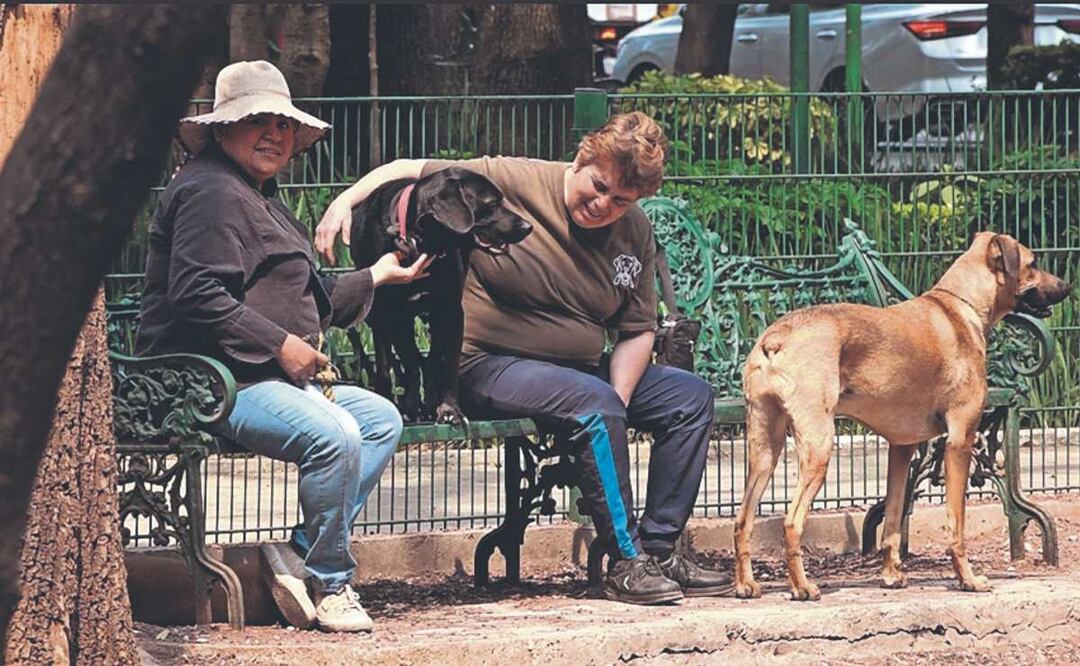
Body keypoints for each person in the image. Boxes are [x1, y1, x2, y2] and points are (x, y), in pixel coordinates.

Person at [315, 111, 733, 605]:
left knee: (689, 397)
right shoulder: (514, 178)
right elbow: (411, 167)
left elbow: (637, 330)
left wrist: (616, 399)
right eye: (598, 186)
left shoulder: (634, 231)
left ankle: (661, 548)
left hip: (582, 373)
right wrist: (344, 200)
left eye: (621, 200)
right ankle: (626, 562)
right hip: (488, 364)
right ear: (580, 160)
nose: (603, 204)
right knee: (592, 402)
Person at [136, 60, 432, 632]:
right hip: (206, 379)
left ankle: (298, 552)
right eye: (256, 121)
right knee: (337, 433)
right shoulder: (208, 191)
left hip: (256, 372)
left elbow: (305, 293)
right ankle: (331, 580)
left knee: (379, 420)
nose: (273, 133)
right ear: (223, 129)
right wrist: (282, 346)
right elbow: (194, 293)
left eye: (282, 123)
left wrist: (375, 276)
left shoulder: (257, 192)